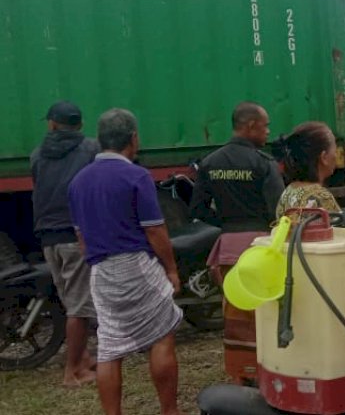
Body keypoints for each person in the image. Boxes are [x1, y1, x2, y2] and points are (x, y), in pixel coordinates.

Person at [68, 109, 182, 415]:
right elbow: (155, 230)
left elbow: (82, 238)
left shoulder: (78, 182)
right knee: (162, 333)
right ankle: (169, 411)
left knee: (110, 347)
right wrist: (170, 269)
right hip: (136, 267)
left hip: (101, 272)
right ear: (133, 139)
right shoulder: (136, 175)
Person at [30, 101, 100, 387]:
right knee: (79, 308)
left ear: (51, 124)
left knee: (72, 301)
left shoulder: (37, 155)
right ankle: (73, 372)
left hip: (48, 236)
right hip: (76, 235)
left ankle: (82, 359)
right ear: (80, 125)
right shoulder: (91, 149)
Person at [190, 102, 284, 232]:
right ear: (251, 126)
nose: (268, 132)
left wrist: (225, 225)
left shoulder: (209, 162)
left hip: (226, 241)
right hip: (260, 241)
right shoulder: (264, 163)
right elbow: (279, 211)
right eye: (266, 126)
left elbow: (198, 210)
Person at [274, 121, 340, 219]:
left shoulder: (287, 193)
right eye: (335, 150)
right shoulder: (321, 196)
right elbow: (339, 230)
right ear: (324, 158)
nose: (336, 155)